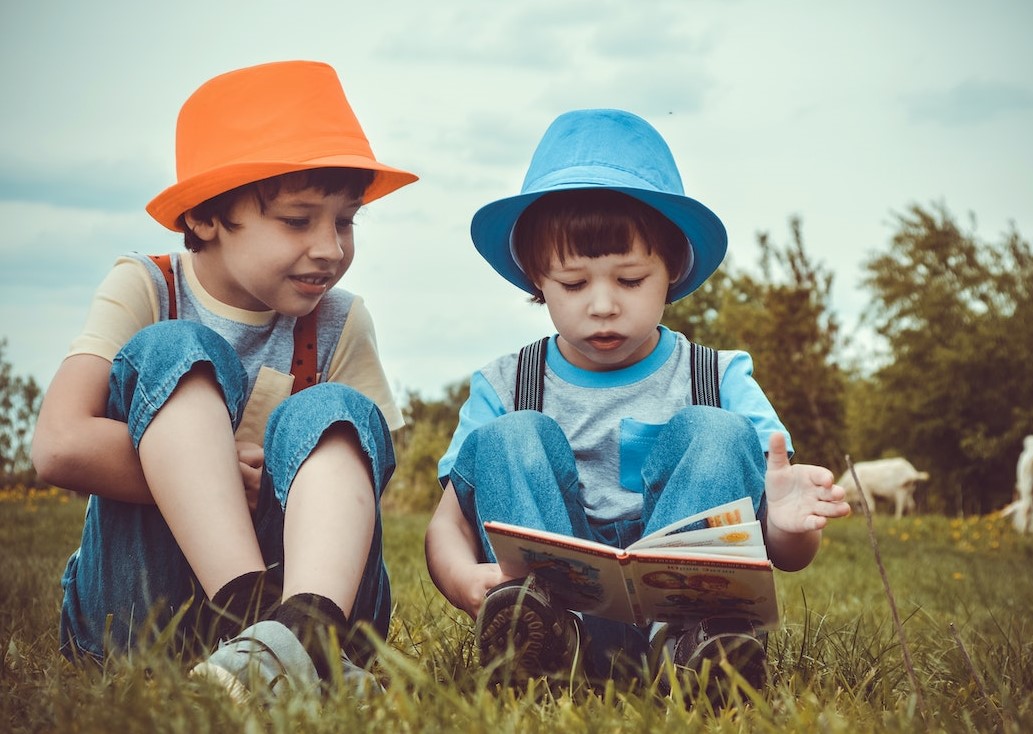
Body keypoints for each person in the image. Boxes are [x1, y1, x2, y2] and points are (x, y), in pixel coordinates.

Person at [424, 109, 851, 697]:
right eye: (574, 284)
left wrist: (784, 525)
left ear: (672, 269)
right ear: (536, 278)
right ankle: (539, 646)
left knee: (718, 431)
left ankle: (698, 653)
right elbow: (447, 523)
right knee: (509, 437)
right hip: (556, 613)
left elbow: (789, 554)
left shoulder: (718, 376)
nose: (602, 305)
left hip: (689, 617)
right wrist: (465, 580)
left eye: (629, 280)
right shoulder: (505, 384)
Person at [31, 60, 417, 700]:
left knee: (336, 410)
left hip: (308, 584)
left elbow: (368, 466)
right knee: (177, 348)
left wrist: (291, 474)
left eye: (346, 221)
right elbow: (60, 444)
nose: (330, 247)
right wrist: (209, 474)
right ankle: (264, 628)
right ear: (207, 217)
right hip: (141, 612)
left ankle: (307, 631)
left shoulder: (342, 320)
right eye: (299, 220)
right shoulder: (147, 287)